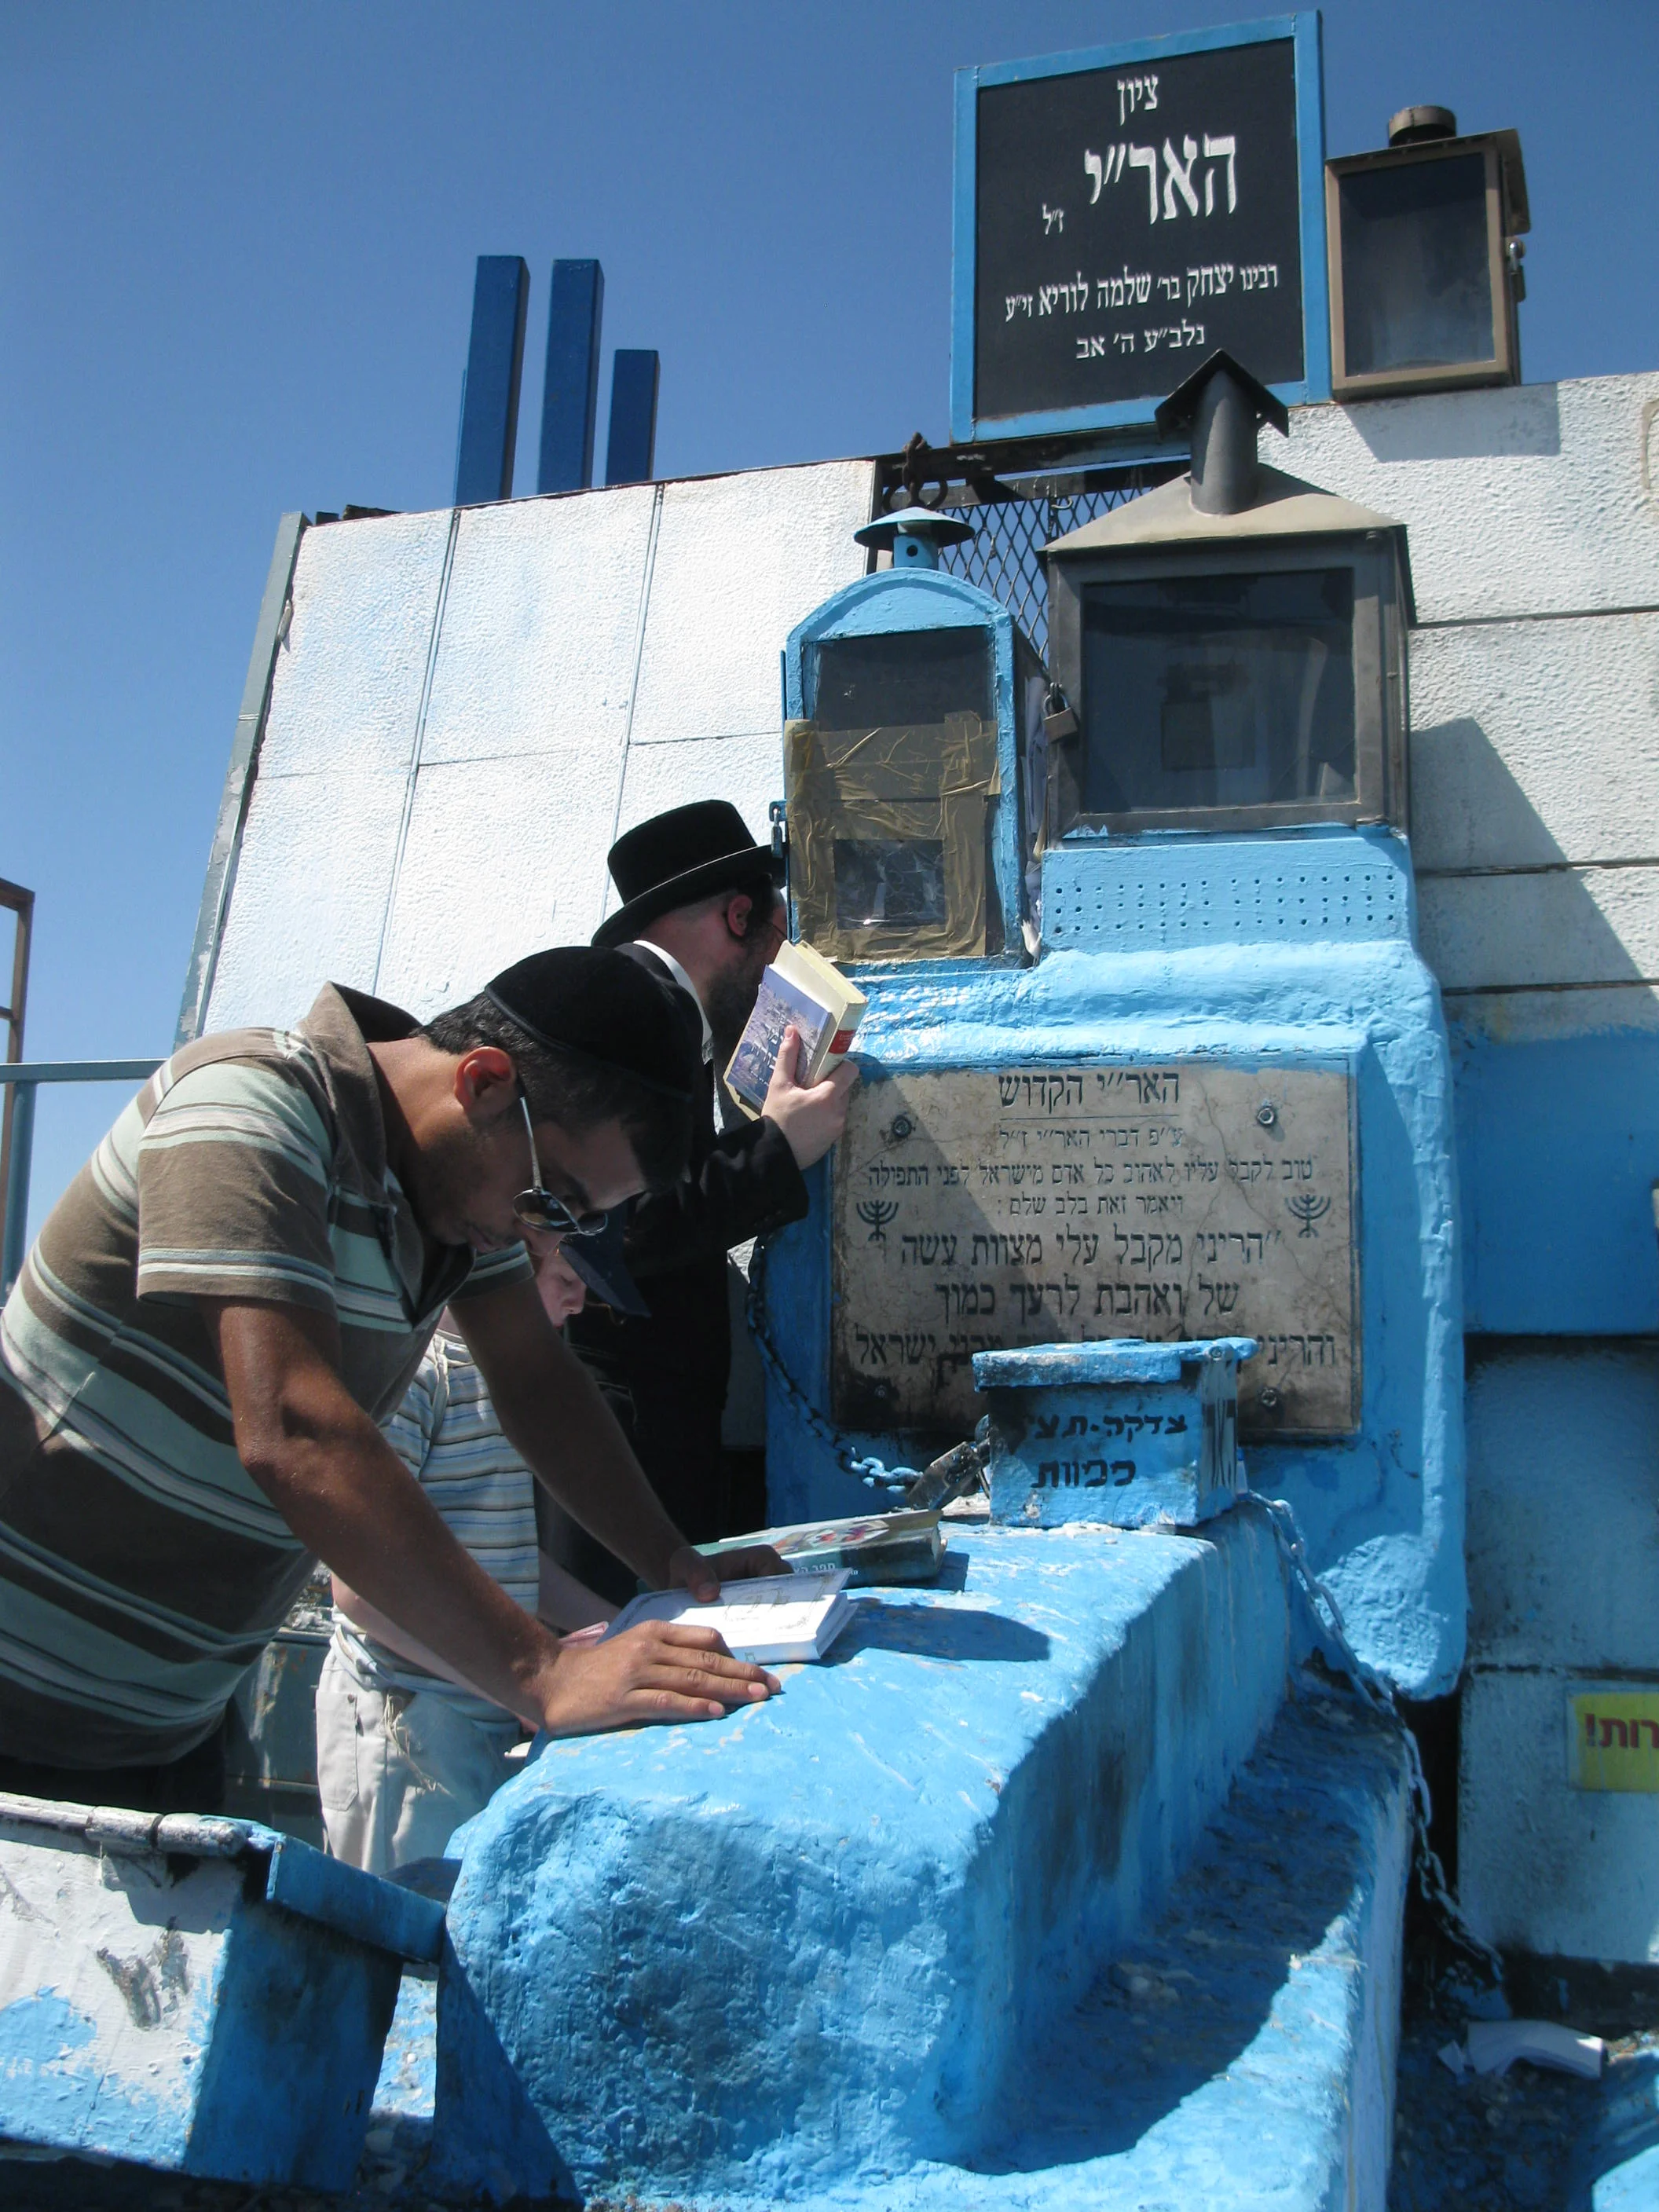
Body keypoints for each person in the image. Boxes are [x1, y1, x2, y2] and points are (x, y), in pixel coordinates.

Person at [0, 948, 782, 1816]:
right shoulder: (249, 1101)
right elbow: (293, 1428)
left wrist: (670, 1560)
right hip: (20, 1711)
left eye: (584, 1218)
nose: (544, 1235)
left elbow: (537, 1378)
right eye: (553, 1200)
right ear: (484, 1083)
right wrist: (541, 1669)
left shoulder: (448, 1201)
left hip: (165, 1734)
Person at [564, 800, 857, 1585]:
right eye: (775, 947)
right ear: (739, 915)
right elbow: (617, 1226)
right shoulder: (637, 1005)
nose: (774, 983)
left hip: (642, 1438)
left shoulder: (660, 1016)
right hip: (621, 1442)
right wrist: (777, 1148)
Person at [317, 1236, 619, 1874]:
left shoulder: (498, 1386)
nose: (579, 1296)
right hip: (406, 1727)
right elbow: (358, 1587)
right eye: (565, 1273)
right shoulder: (413, 1374)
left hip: (476, 1716)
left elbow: (511, 1558)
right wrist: (526, 1681)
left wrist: (626, 1623)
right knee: (397, 1934)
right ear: (507, 1260)